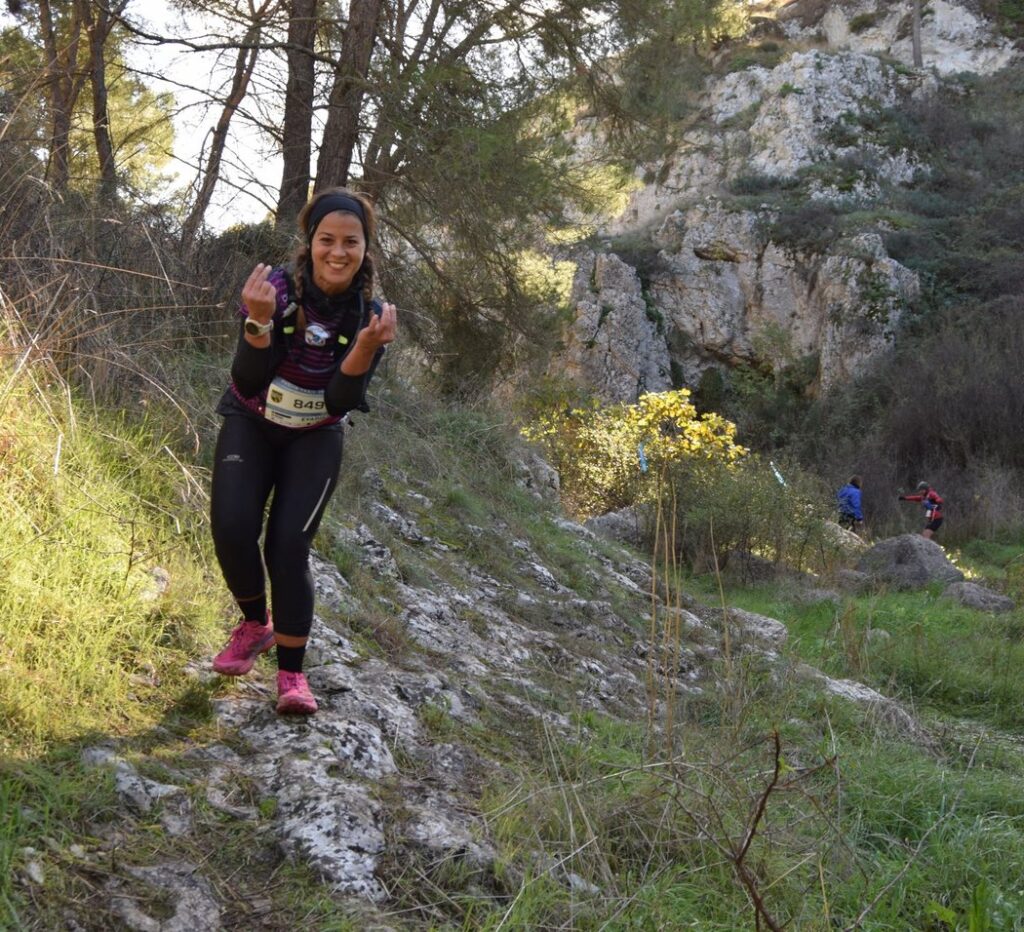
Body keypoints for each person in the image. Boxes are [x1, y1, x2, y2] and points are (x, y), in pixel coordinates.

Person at [209, 188, 397, 714]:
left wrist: (365, 346)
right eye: (327, 240)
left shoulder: (371, 314)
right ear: (310, 242)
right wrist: (258, 322)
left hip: (316, 435)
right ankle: (254, 625)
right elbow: (248, 375)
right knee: (230, 525)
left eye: (351, 243)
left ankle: (291, 676)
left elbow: (343, 398)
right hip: (252, 420)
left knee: (288, 546)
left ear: (366, 248)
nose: (338, 253)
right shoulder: (274, 290)